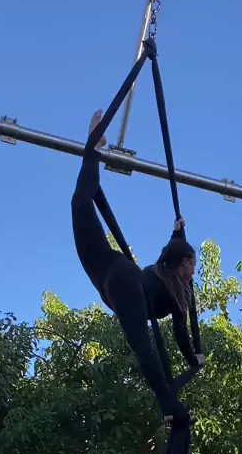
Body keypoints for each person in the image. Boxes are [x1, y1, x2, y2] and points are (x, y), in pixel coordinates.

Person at [71, 110, 204, 425]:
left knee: (80, 203)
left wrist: (177, 232)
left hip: (111, 276)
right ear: (185, 263)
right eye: (193, 265)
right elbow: (180, 333)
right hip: (122, 283)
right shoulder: (179, 290)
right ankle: (168, 405)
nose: (194, 273)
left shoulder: (165, 272)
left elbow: (172, 251)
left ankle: (93, 148)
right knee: (144, 348)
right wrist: (194, 358)